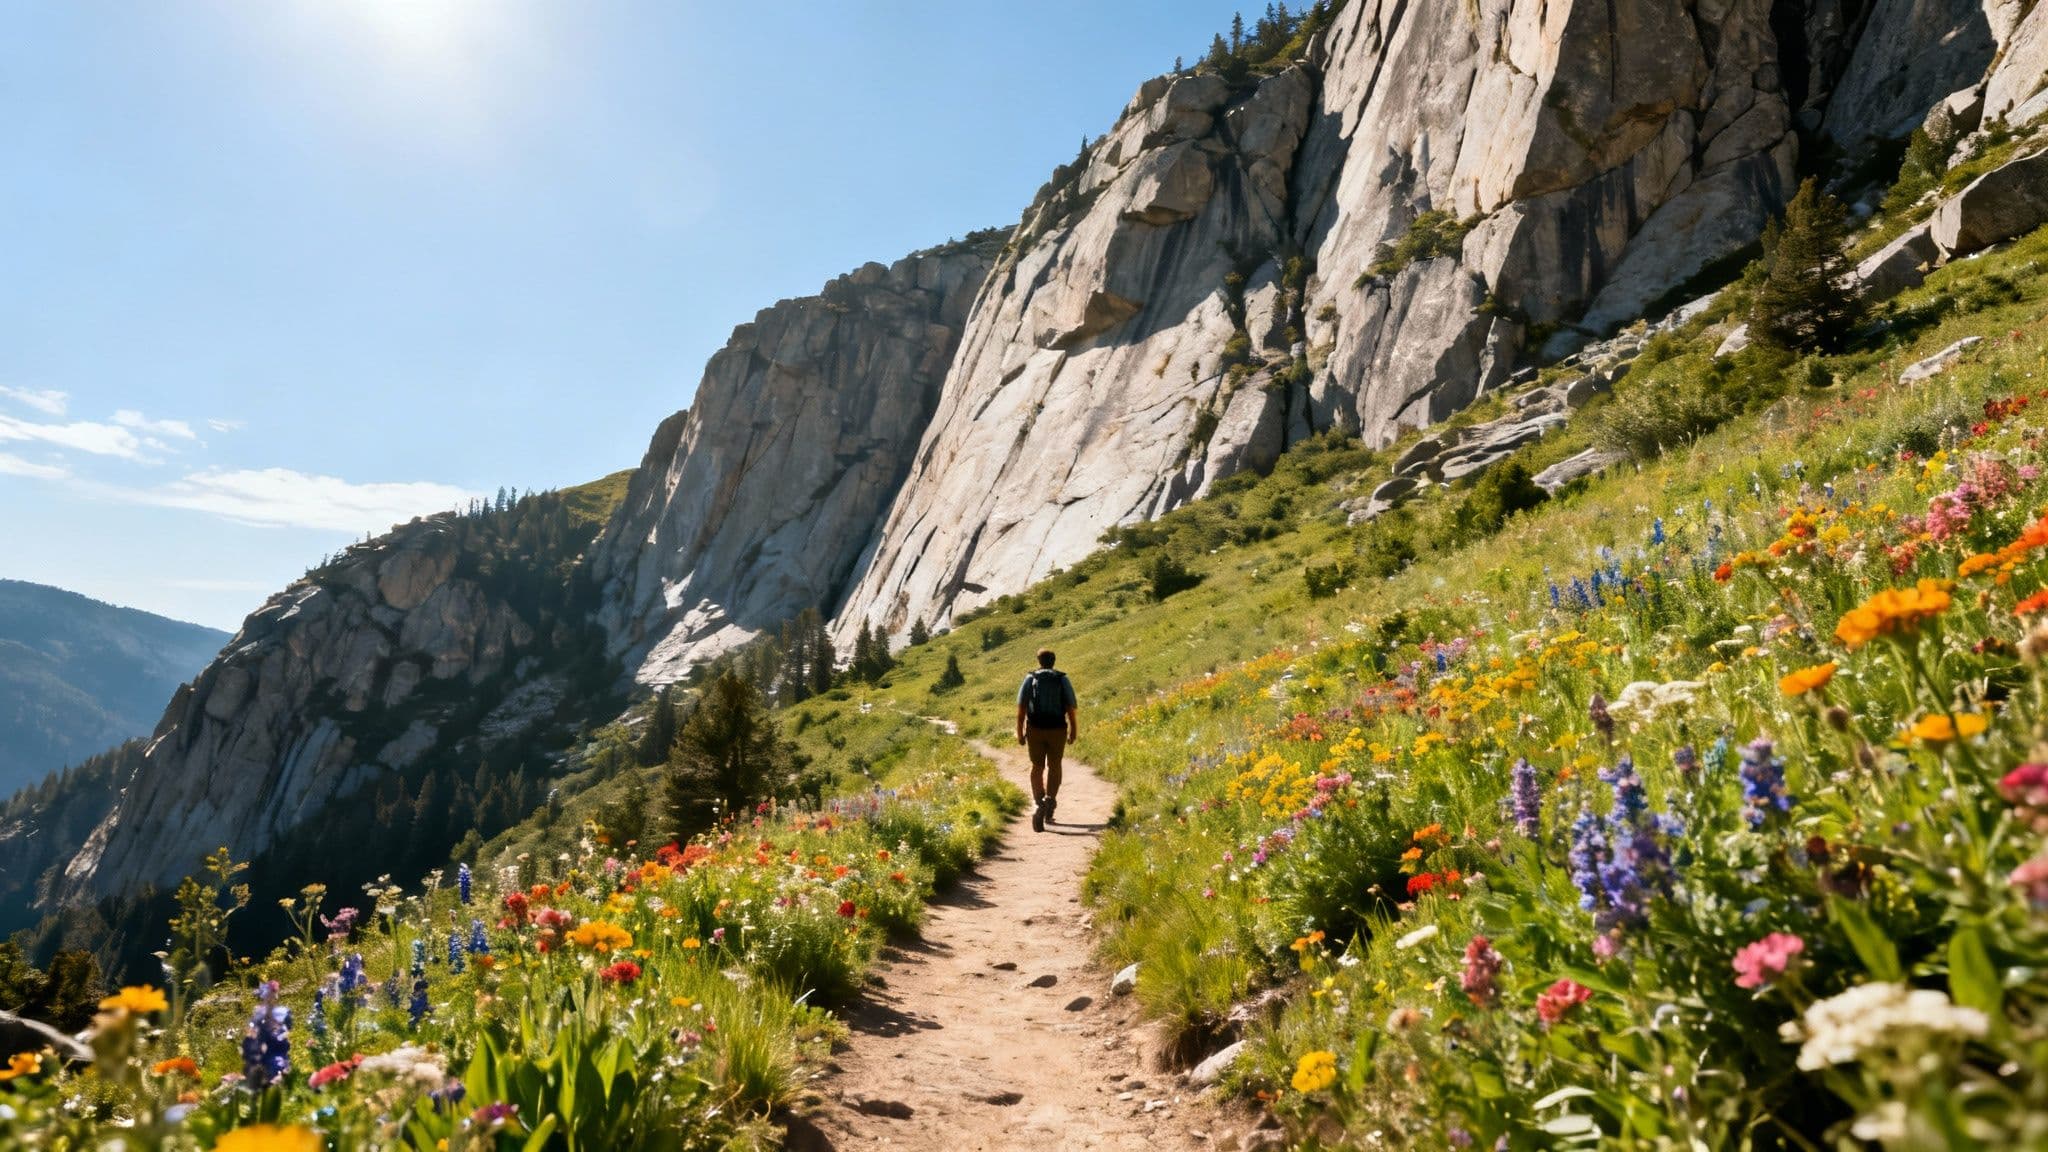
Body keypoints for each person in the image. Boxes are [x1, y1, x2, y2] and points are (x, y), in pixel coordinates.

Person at [1016, 648, 1077, 833]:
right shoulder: (1062, 679)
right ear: (1054, 660)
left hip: (1035, 729)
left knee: (1037, 767)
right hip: (1057, 729)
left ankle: (1039, 802)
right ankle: (1050, 800)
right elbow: (1070, 707)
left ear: (1039, 660)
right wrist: (1073, 730)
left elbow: (1021, 710)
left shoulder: (1030, 678)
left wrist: (1020, 732)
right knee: (1055, 765)